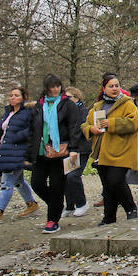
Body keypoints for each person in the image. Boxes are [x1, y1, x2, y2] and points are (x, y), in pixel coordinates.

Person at [83, 73, 138, 224]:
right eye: (111, 86)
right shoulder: (98, 106)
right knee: (108, 186)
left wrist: (112, 123)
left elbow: (135, 124)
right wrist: (91, 129)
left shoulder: (127, 103)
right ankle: (109, 217)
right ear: (104, 89)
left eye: (117, 85)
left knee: (115, 181)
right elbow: (85, 124)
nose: (115, 89)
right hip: (102, 152)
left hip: (122, 150)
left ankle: (130, 207)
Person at [0, 85, 39, 225]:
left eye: (16, 95)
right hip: (5, 150)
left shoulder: (28, 112)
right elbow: (2, 130)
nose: (13, 98)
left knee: (6, 181)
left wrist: (15, 137)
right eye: (11, 95)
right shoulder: (8, 113)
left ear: (23, 97)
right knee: (18, 181)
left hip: (18, 150)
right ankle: (31, 204)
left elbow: (33, 129)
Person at [27, 73, 79, 234]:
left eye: (58, 86)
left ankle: (52, 220)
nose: (55, 89)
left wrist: (73, 148)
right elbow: (32, 129)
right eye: (52, 86)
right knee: (37, 183)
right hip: (41, 151)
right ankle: (56, 205)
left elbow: (74, 126)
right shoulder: (38, 106)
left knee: (57, 186)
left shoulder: (67, 104)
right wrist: (29, 152)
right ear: (46, 88)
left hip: (59, 151)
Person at [61, 86, 91, 217]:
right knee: (66, 177)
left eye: (69, 98)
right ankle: (69, 205)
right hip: (70, 148)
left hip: (81, 149)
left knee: (73, 176)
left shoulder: (82, 111)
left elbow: (79, 130)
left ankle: (82, 203)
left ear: (76, 98)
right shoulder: (65, 112)